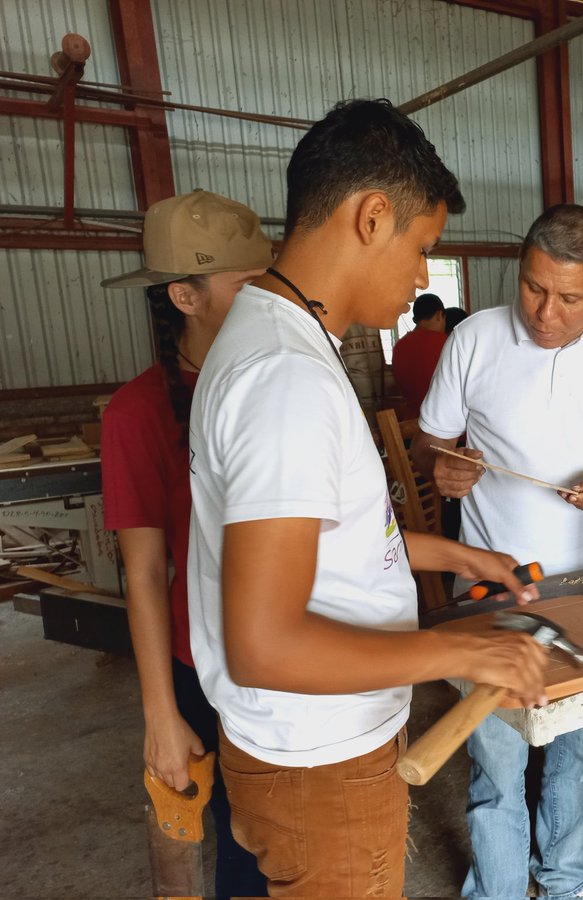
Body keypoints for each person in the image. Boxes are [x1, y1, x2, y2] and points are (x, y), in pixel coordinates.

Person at [186, 98, 549, 899]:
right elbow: (265, 644)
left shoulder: (269, 341)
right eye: (423, 248)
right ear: (371, 216)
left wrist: (455, 552)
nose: (424, 276)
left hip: (304, 750)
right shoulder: (285, 379)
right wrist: (464, 650)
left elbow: (332, 541)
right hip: (320, 764)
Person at [413, 203, 583, 899]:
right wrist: (446, 467)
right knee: (495, 755)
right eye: (533, 288)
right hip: (491, 585)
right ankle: (499, 890)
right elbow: (432, 441)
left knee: (574, 752)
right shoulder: (474, 339)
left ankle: (564, 886)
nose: (544, 312)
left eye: (568, 297)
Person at [99, 189, 273, 900]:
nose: (267, 304)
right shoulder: (139, 411)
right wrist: (160, 715)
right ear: (185, 296)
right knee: (241, 845)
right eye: (247, 288)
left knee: (284, 837)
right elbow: (143, 574)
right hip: (202, 667)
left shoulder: (272, 384)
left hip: (287, 650)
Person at [391, 291, 447, 420]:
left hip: (412, 422)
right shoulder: (446, 343)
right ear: (439, 315)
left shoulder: (399, 346)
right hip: (444, 425)